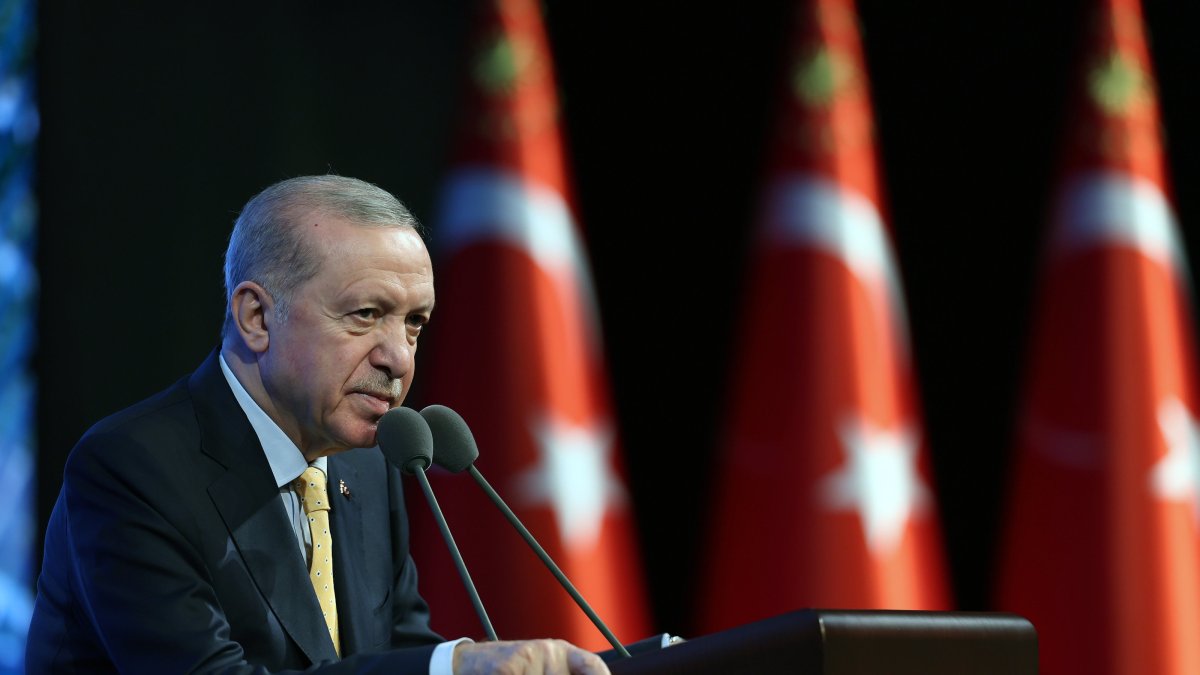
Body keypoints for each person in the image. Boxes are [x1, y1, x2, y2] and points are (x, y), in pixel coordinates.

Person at [25, 175, 612, 674]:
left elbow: (396, 650)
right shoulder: (133, 470)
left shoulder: (367, 462)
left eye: (414, 323)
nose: (399, 358)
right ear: (257, 317)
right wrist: (451, 667)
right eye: (366, 314)